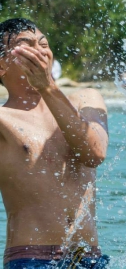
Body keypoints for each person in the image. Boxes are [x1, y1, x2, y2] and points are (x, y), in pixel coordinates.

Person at [0, 18, 110, 268]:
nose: (39, 51)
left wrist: (46, 87)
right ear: (1, 66)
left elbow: (94, 154)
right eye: (25, 46)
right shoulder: (2, 120)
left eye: (43, 43)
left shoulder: (86, 100)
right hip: (30, 258)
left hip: (89, 258)